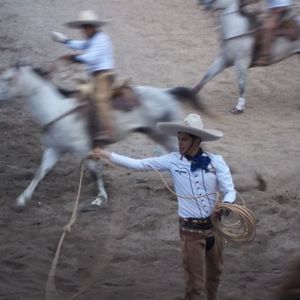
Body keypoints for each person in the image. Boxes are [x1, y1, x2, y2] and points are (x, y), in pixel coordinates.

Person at [92, 113, 236, 300]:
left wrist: (225, 206)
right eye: (179, 139)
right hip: (190, 232)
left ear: (197, 140)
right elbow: (138, 164)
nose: (180, 143)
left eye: (184, 139)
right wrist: (106, 154)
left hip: (215, 229)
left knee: (215, 276)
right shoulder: (172, 160)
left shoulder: (216, 161)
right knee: (195, 285)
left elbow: (230, 191)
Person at [52, 10, 116, 145]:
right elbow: (80, 45)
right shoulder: (93, 39)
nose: (83, 31)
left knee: (100, 99)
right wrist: (64, 39)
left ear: (92, 27)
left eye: (85, 27)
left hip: (104, 76)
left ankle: (107, 131)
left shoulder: (101, 40)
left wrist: (72, 57)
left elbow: (89, 58)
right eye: (83, 27)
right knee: (80, 96)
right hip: (95, 77)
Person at [255, 0, 293, 65]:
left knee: (267, 28)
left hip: (281, 9)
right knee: (257, 27)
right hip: (273, 9)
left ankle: (265, 57)